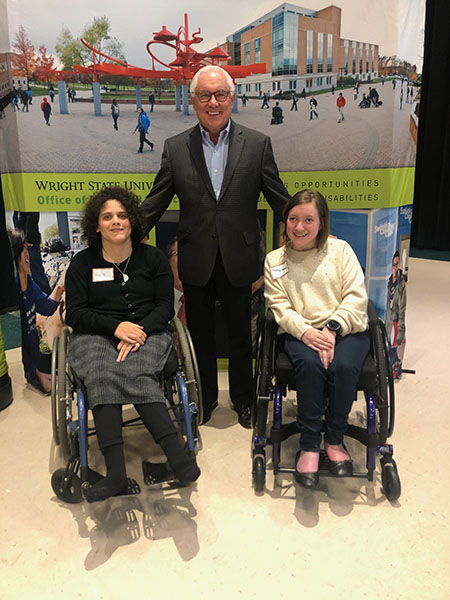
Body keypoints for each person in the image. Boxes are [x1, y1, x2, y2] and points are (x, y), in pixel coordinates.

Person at [141, 65, 289, 428]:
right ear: (193, 101)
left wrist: (312, 227)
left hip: (240, 255)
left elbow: (278, 196)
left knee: (242, 335)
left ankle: (244, 399)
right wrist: (123, 231)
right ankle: (204, 400)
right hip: (196, 258)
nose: (213, 102)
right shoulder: (175, 148)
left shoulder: (257, 144)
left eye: (220, 94)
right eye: (204, 95)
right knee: (200, 337)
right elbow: (156, 201)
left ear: (232, 98)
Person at [65, 187, 200, 503]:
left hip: (148, 333)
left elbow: (166, 306)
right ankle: (116, 475)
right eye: (107, 216)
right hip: (95, 335)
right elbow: (75, 313)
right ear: (96, 225)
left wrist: (139, 330)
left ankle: (176, 459)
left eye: (122, 215)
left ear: (133, 221)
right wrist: (116, 327)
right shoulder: (83, 264)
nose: (115, 222)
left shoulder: (152, 258)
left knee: (136, 367)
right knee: (100, 370)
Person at [264, 190, 370, 489]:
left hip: (345, 328)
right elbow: (279, 305)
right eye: (293, 219)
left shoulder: (341, 251)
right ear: (284, 221)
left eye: (308, 220)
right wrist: (306, 331)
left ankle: (335, 440)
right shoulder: (275, 260)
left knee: (343, 368)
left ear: (321, 222)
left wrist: (333, 328)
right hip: (302, 330)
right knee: (310, 367)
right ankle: (310, 444)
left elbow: (355, 296)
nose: (299, 227)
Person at [10, 229, 64, 394]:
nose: (28, 256)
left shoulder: (30, 283)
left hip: (36, 357)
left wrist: (61, 286)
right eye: (23, 250)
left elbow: (46, 307)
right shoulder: (11, 292)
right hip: (31, 363)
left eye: (28, 250)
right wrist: (35, 372)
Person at [385, 250, 407, 379]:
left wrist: (401, 328)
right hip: (387, 320)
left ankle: (393, 371)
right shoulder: (387, 282)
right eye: (393, 264)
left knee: (393, 346)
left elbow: (402, 308)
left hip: (395, 321)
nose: (395, 267)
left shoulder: (401, 283)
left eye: (396, 264)